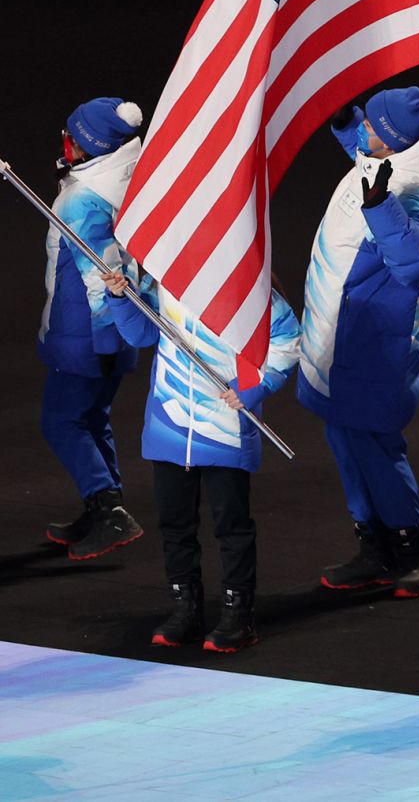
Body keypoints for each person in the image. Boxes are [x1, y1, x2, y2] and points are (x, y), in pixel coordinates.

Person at [298, 85, 419, 600]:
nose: (365, 131)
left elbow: (414, 261)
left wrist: (379, 205)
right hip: (342, 331)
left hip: (374, 344)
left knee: (375, 448)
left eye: (371, 127)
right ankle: (373, 547)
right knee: (344, 441)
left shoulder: (414, 192)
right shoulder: (386, 156)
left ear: (395, 144)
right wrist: (346, 121)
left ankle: (413, 551)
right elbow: (366, 152)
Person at [103, 270, 299, 652]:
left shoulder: (249, 285)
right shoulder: (164, 280)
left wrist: (257, 385)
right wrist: (120, 298)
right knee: (175, 524)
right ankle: (185, 609)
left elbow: (289, 338)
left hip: (225, 428)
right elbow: (140, 334)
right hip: (170, 425)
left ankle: (238, 613)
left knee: (232, 526)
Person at [39, 97, 147, 561]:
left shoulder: (83, 199)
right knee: (92, 419)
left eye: (71, 136)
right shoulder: (129, 180)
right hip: (115, 331)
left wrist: (103, 338)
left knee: (61, 421)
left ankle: (110, 511)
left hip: (87, 334)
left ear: (89, 146)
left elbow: (98, 273)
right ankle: (101, 504)